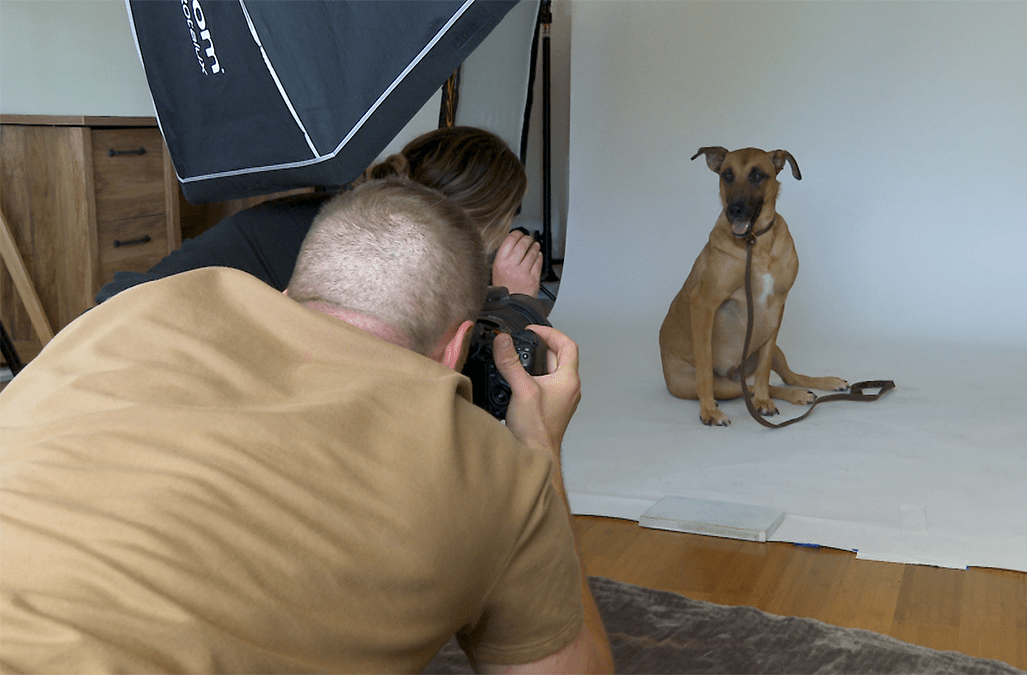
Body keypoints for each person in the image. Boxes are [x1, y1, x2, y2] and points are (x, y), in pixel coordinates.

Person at [0, 178, 613, 673]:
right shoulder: (488, 468)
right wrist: (541, 452)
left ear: (292, 286)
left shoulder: (126, 313)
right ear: (457, 347)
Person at [94, 126, 545, 304]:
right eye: (506, 216)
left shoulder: (368, 221)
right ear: (479, 219)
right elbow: (462, 394)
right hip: (134, 343)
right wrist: (515, 302)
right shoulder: (378, 251)